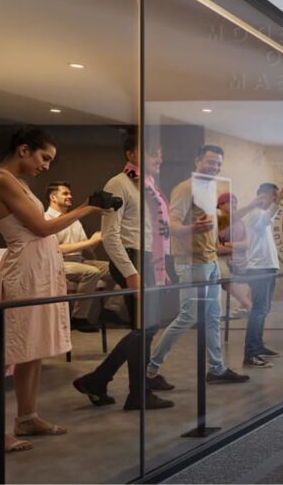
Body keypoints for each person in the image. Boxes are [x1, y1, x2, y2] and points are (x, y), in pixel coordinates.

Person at [0, 127, 106, 453]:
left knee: (33, 348)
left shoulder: (15, 181)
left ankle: (27, 417)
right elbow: (42, 227)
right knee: (0, 354)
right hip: (24, 273)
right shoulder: (0, 179)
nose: (46, 166)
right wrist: (87, 207)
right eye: (44, 158)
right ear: (24, 150)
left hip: (37, 271)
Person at [73, 137, 176, 410]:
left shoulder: (147, 185)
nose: (158, 158)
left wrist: (159, 267)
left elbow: (151, 231)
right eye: (151, 153)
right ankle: (124, 388)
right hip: (132, 259)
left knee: (145, 329)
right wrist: (130, 271)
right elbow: (110, 235)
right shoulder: (119, 183)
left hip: (147, 260)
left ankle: (107, 383)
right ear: (130, 154)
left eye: (159, 153)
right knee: (145, 327)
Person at [147, 144, 249, 385]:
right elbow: (170, 225)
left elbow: (219, 223)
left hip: (210, 262)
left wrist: (253, 206)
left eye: (218, 164)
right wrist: (193, 228)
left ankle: (217, 369)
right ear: (198, 161)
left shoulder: (210, 189)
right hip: (192, 263)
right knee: (188, 316)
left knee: (213, 317)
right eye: (211, 162)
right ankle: (150, 369)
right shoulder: (185, 188)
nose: (215, 167)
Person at [234, 182, 283, 369]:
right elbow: (267, 218)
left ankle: (257, 347)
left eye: (275, 196)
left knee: (262, 309)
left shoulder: (261, 214)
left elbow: (268, 218)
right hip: (260, 269)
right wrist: (281, 197)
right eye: (273, 195)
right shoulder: (256, 213)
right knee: (258, 311)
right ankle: (250, 354)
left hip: (267, 268)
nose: (275, 199)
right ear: (263, 196)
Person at [43, 181, 110, 333]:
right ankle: (79, 318)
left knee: (118, 269)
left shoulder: (74, 220)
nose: (70, 196)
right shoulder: (46, 219)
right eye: (65, 193)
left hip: (78, 261)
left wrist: (97, 239)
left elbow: (87, 248)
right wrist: (89, 242)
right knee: (91, 272)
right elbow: (55, 249)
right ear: (53, 197)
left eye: (70, 193)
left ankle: (112, 309)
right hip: (58, 262)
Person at [217, 192, 252, 319]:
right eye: (231, 202)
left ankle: (244, 306)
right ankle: (247, 305)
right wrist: (234, 248)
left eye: (236, 203)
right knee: (225, 277)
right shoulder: (218, 221)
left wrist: (230, 245)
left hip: (240, 260)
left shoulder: (240, 222)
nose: (235, 205)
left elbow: (247, 243)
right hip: (224, 261)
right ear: (221, 205)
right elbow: (216, 248)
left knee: (261, 274)